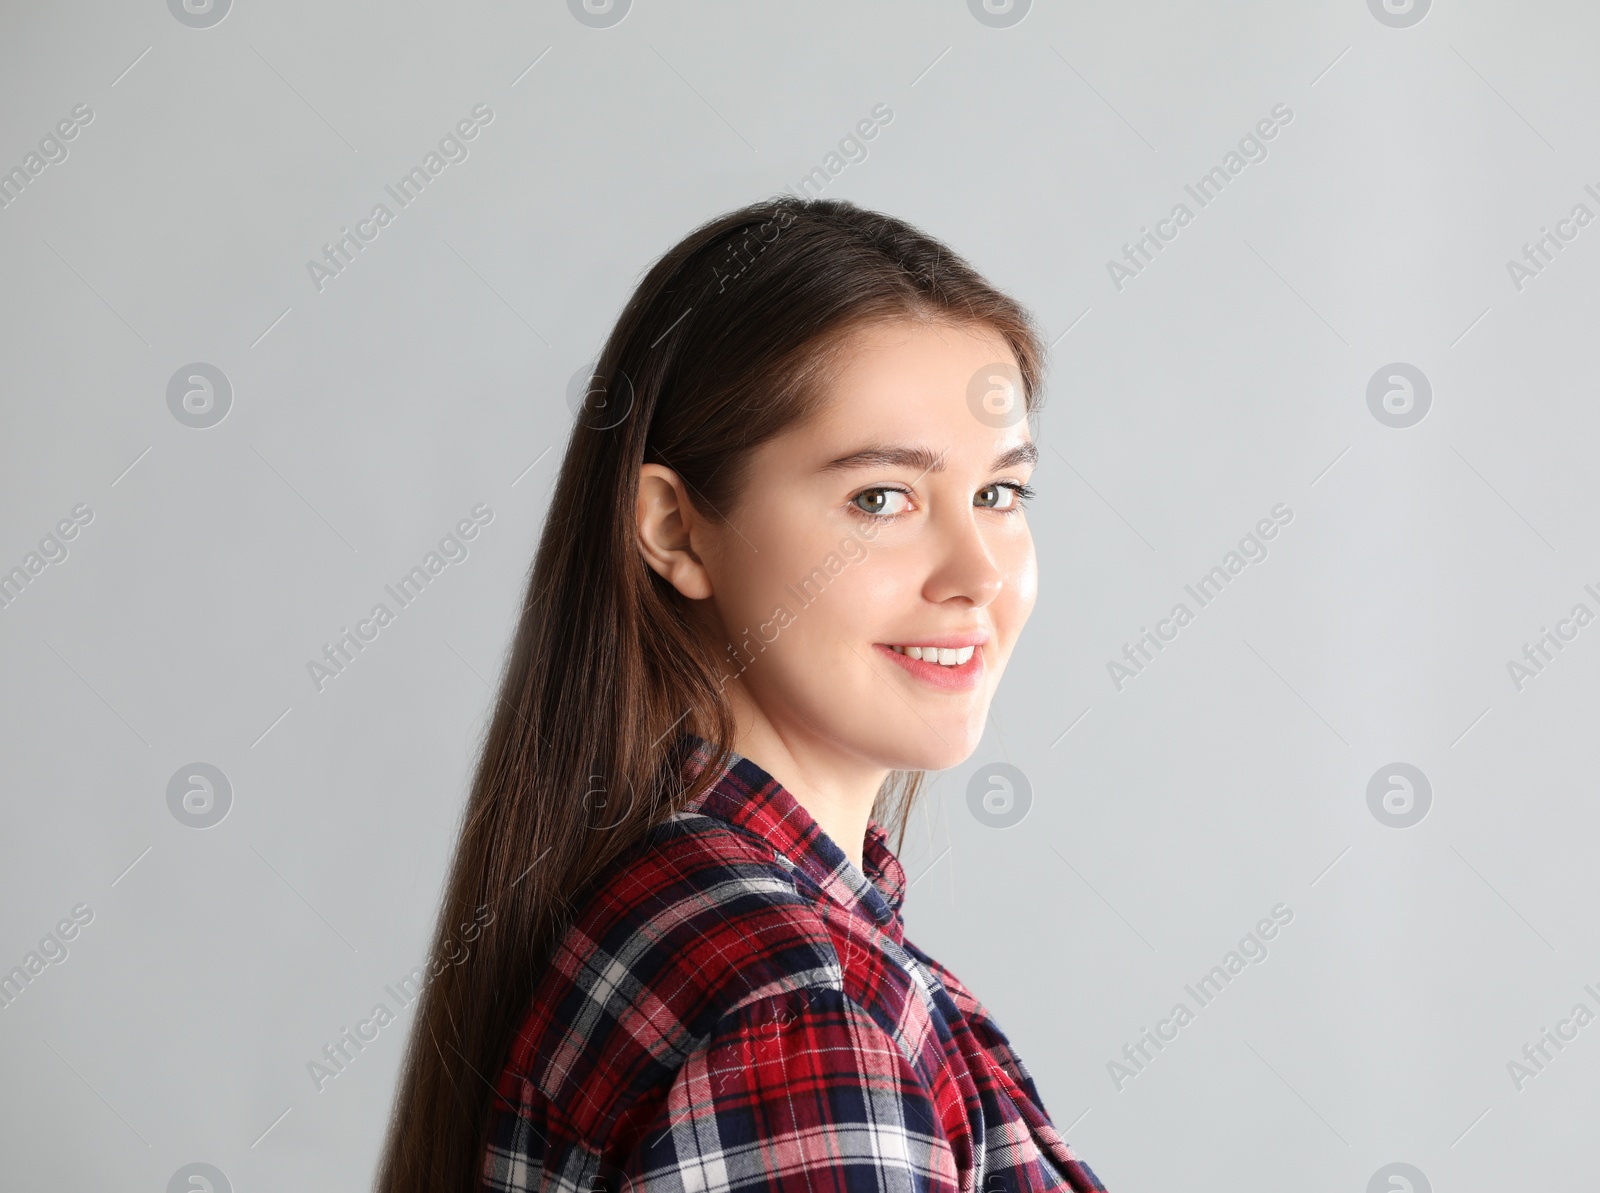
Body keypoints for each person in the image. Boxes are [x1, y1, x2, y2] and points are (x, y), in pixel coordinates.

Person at [374, 196, 1109, 1193]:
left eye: (999, 493)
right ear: (676, 530)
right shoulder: (797, 1011)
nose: (977, 571)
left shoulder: (705, 918)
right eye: (880, 497)